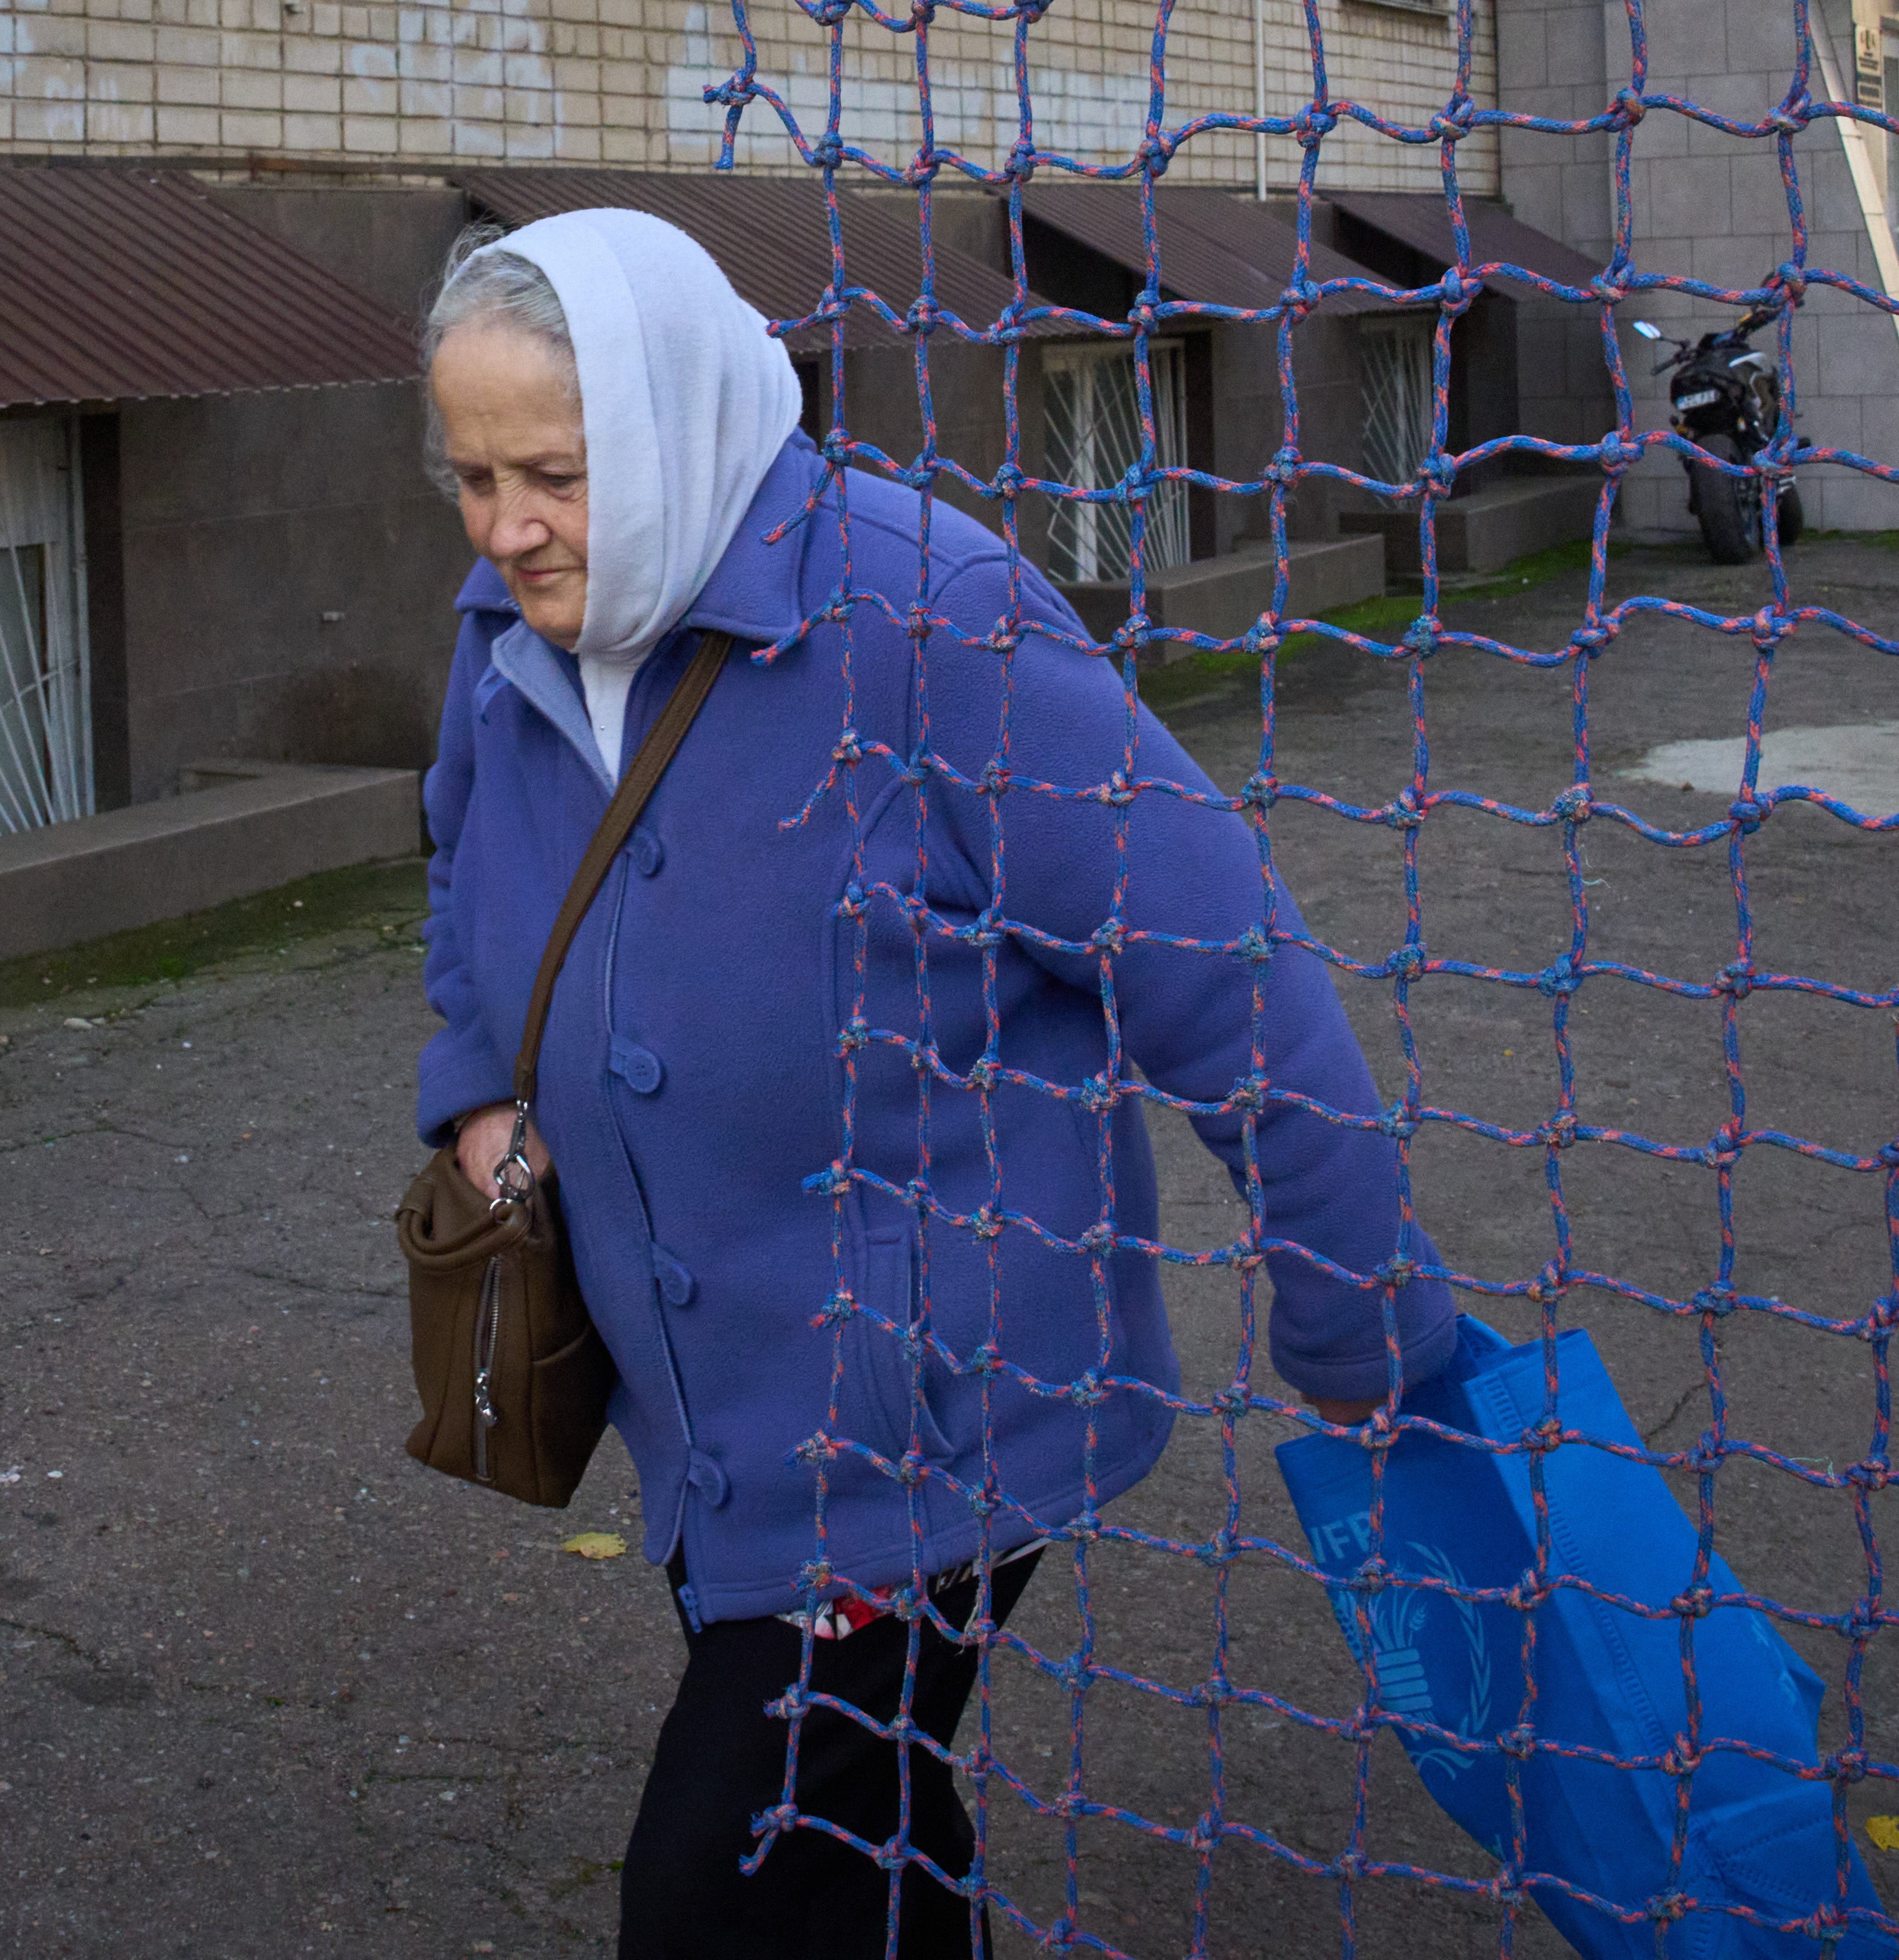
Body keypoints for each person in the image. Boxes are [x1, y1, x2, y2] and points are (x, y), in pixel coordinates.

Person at [408, 211, 1451, 1960]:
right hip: (698, 1402)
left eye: (557, 475)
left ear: (668, 431)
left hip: (912, 1413)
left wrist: (1363, 1329)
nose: (509, 526)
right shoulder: (506, 616)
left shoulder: (928, 621)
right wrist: (477, 1089)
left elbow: (1229, 968)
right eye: (471, 474)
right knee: (859, 1834)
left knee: (723, 1898)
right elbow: (464, 866)